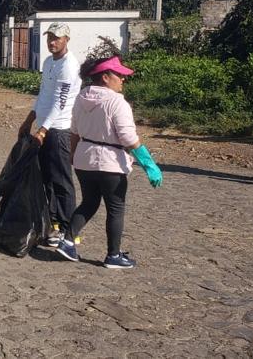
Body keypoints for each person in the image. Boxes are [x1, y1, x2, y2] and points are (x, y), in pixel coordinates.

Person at [54, 56, 162, 269]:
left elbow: (74, 132)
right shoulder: (116, 102)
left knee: (89, 202)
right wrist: (150, 164)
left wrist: (73, 156)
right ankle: (113, 255)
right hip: (110, 162)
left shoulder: (81, 98)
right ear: (105, 77)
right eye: (119, 75)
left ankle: (67, 241)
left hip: (85, 160)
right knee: (115, 207)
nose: (123, 79)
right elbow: (129, 138)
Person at [17, 23, 81, 247]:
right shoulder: (48, 62)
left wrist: (43, 130)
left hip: (59, 130)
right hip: (44, 127)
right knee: (47, 178)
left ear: (67, 40)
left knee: (62, 180)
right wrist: (30, 119)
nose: (52, 42)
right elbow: (44, 95)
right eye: (50, 37)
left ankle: (67, 230)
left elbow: (60, 103)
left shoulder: (69, 66)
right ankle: (52, 223)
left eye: (57, 38)